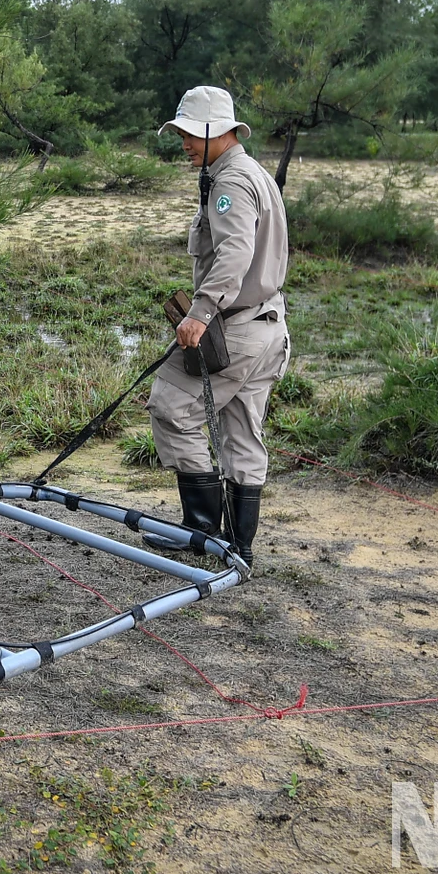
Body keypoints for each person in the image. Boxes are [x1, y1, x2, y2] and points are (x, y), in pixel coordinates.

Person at [144, 85, 290, 567]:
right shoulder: (252, 173)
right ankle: (238, 547)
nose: (183, 143)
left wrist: (200, 311)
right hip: (268, 325)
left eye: (189, 134)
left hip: (238, 328)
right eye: (179, 133)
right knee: (242, 432)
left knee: (169, 405)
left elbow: (234, 252)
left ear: (217, 131)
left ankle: (201, 532)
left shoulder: (229, 182)